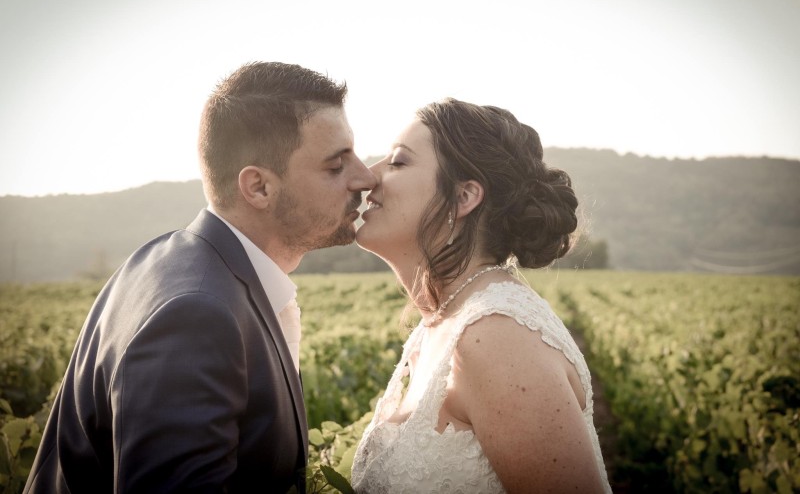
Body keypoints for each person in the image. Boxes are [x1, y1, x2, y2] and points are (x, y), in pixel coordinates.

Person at [23, 61, 376, 493]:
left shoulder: (168, 263)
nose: (366, 177)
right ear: (259, 187)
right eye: (336, 165)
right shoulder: (196, 316)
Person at [350, 98, 612, 493]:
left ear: (464, 197)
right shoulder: (445, 321)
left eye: (399, 162)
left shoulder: (495, 336)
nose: (368, 176)